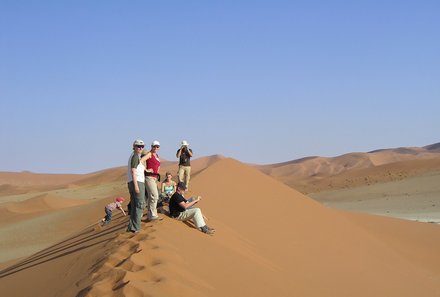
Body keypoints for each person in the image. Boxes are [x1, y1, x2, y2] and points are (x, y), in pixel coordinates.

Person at [126, 139, 147, 233]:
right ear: (134, 146)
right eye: (138, 146)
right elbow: (133, 171)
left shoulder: (133, 156)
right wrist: (136, 186)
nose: (140, 148)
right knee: (140, 205)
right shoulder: (135, 156)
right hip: (137, 182)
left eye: (142, 146)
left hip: (132, 182)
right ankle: (136, 228)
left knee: (134, 205)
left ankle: (131, 227)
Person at [141, 140, 162, 221]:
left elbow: (158, 166)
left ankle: (150, 215)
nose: (156, 148)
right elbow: (141, 160)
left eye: (157, 147)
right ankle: (153, 214)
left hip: (154, 178)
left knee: (151, 196)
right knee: (155, 195)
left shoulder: (156, 155)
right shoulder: (149, 154)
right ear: (151, 146)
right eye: (154, 146)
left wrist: (157, 174)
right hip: (149, 177)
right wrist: (146, 169)